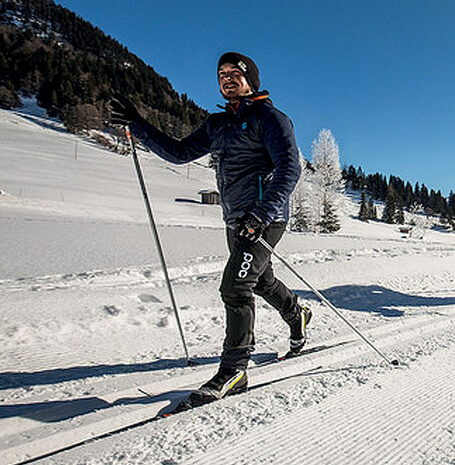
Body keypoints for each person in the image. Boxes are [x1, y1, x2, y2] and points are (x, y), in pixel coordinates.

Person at [110, 52, 311, 404]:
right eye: (222, 74)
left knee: (235, 286)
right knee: (261, 280)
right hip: (235, 219)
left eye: (236, 73)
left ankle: (234, 370)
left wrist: (262, 214)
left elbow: (289, 171)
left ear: (252, 79)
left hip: (266, 218)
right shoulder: (217, 125)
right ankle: (298, 314)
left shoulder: (271, 118)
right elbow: (177, 153)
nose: (228, 79)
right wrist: (137, 124)